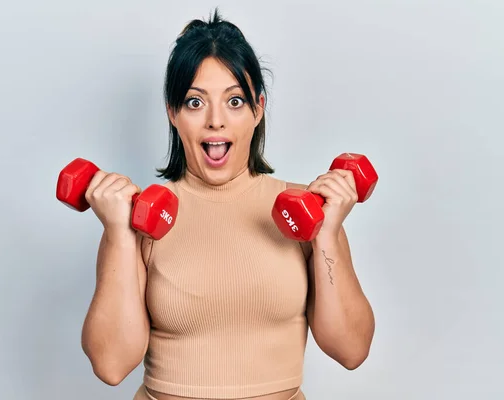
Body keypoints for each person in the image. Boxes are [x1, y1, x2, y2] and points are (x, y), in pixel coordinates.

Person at [79, 9, 375, 400]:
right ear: (172, 112)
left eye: (235, 101)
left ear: (258, 109)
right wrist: (118, 232)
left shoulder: (307, 211)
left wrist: (328, 235)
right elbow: (111, 364)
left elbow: (351, 350)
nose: (215, 121)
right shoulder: (138, 218)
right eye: (195, 102)